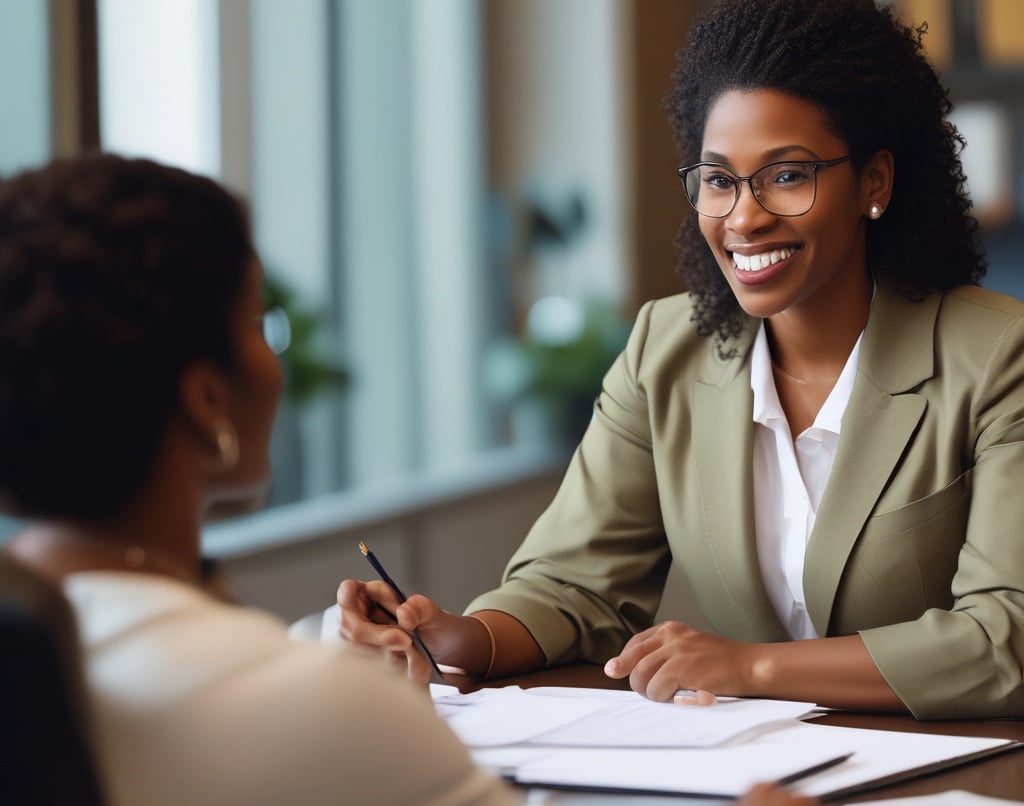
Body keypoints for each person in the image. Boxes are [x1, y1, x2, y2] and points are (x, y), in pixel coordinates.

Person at [337, 0, 1024, 721]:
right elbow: (575, 584)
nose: (744, 217)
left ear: (874, 182)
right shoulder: (663, 351)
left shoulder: (997, 356)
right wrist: (456, 637)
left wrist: (749, 665)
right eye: (719, 180)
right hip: (766, 774)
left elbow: (1005, 638)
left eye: (787, 175)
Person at [0, 153, 518, 806]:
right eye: (256, 323)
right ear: (208, 400)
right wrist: (347, 698)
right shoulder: (337, 717)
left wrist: (320, 648)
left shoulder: (38, 640)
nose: (275, 363)